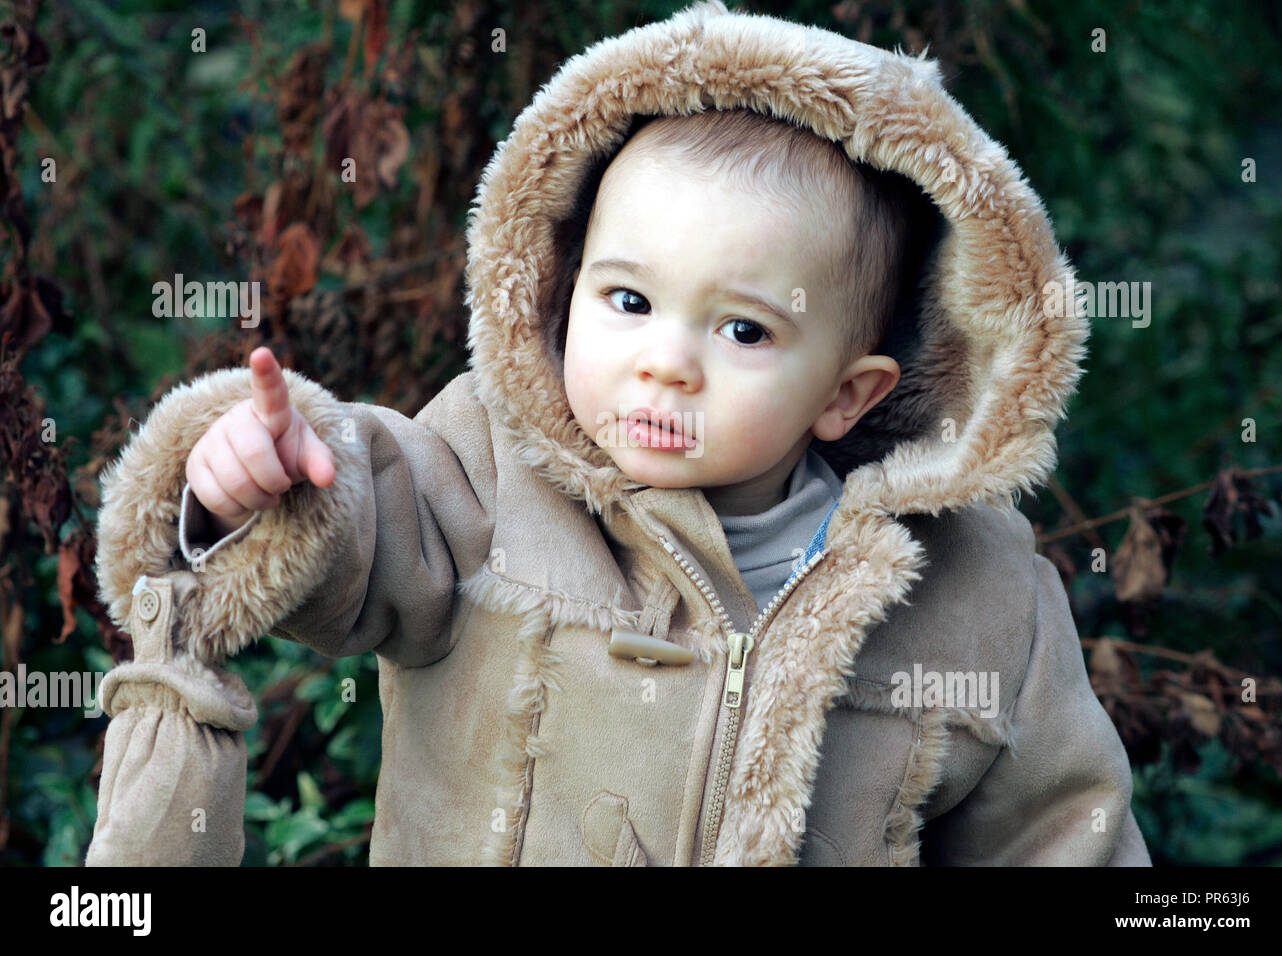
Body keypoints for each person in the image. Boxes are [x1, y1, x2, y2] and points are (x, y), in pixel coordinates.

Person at [86, 0, 1151, 866]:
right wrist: (246, 490)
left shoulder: (977, 596)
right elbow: (347, 534)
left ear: (848, 393)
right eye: (628, 301)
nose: (664, 361)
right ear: (562, 288)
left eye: (742, 327)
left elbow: (1065, 835)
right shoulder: (481, 473)